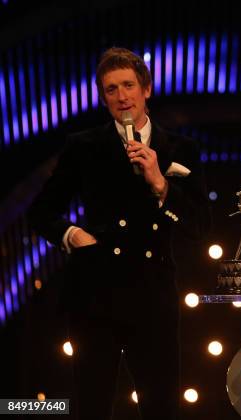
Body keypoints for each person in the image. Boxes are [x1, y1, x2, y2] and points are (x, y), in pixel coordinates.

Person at [28, 47, 208, 419]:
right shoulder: (84, 147)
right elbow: (41, 212)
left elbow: (200, 226)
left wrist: (161, 184)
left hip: (153, 296)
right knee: (92, 405)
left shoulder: (179, 148)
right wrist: (72, 234)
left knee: (161, 408)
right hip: (95, 294)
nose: (121, 96)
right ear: (103, 96)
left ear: (146, 89)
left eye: (128, 85)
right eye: (111, 89)